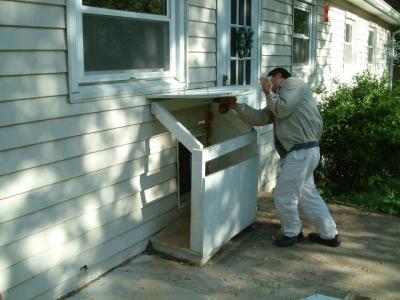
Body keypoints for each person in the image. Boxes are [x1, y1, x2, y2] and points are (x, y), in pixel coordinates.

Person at [223, 67, 341, 247]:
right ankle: (329, 235)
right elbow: (261, 117)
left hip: (301, 152)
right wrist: (236, 107)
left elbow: (282, 109)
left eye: (270, 79)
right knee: (307, 194)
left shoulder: (294, 85)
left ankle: (292, 232)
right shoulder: (280, 98)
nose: (268, 82)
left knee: (284, 195)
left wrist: (268, 91)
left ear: (279, 76)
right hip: (304, 152)